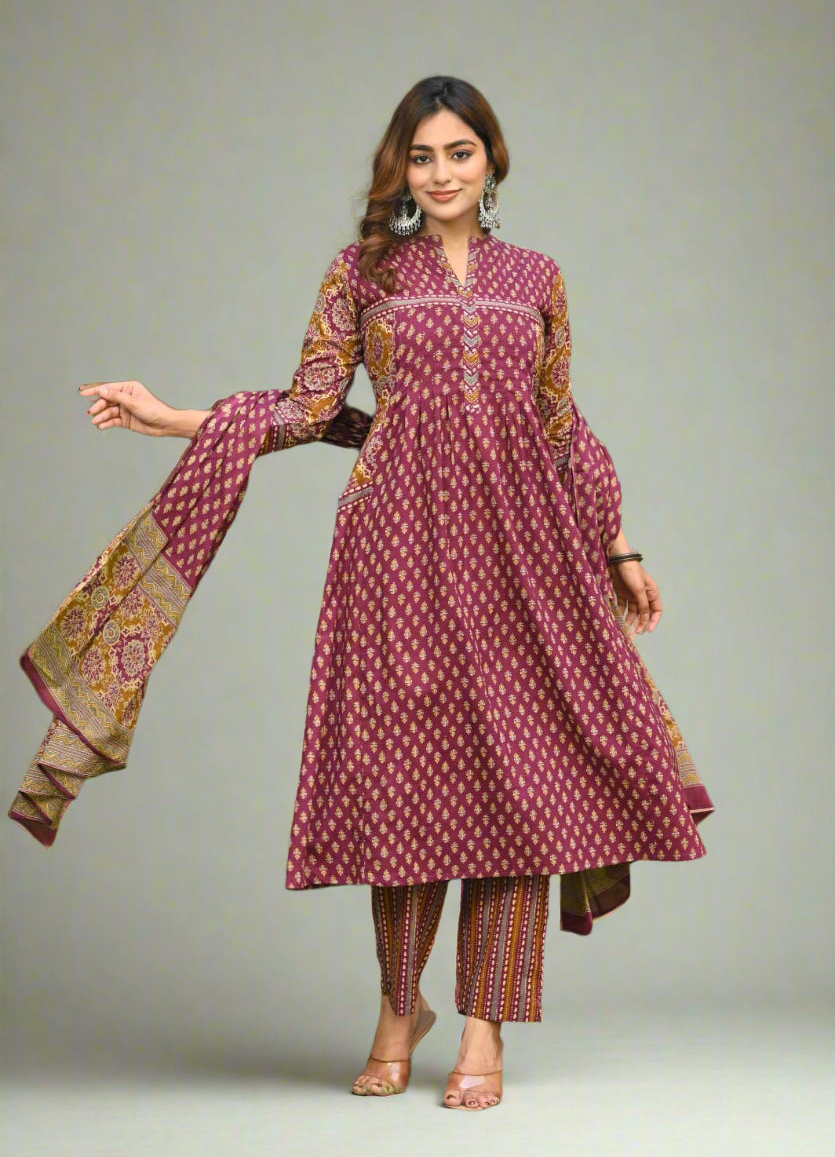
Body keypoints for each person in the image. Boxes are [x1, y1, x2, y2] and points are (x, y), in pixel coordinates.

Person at [75, 75, 714, 1110]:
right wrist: (177, 417)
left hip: (524, 558)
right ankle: (394, 1009)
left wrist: (617, 545)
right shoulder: (361, 271)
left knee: (521, 782)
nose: (441, 173)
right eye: (421, 157)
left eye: (460, 152)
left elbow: (558, 426)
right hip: (397, 551)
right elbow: (310, 407)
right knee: (407, 783)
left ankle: (483, 1028)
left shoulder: (537, 277)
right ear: (399, 171)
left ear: (491, 159)